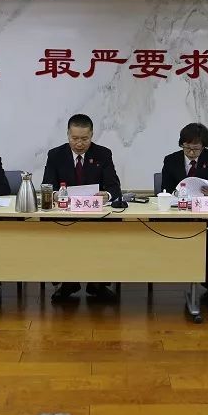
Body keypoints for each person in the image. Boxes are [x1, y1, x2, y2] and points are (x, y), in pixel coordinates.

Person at [42, 113, 122, 302]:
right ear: (68, 135)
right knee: (55, 235)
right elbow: (48, 186)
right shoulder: (55, 155)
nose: (79, 143)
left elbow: (114, 187)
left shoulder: (103, 154)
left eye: (84, 139)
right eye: (75, 138)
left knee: (107, 234)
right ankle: (67, 282)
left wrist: (106, 195)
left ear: (92, 135)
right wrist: (56, 195)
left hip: (96, 216)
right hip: (65, 215)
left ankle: (98, 284)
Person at [160, 122, 208, 196]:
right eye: (187, 147)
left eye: (196, 149)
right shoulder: (170, 160)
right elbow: (165, 189)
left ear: (203, 147)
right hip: (178, 201)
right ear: (182, 144)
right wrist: (176, 193)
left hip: (203, 201)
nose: (191, 152)